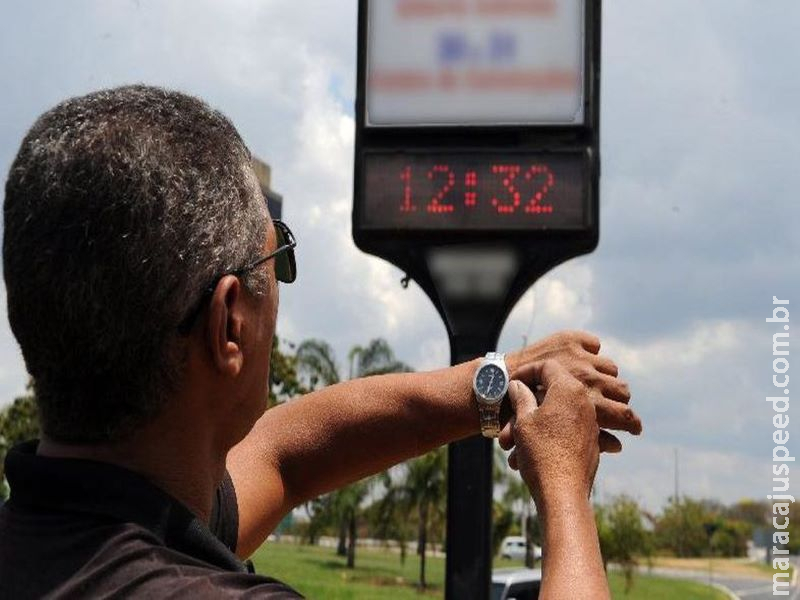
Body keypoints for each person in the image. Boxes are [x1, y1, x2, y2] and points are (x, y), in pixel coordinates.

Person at [0, 85, 641, 599]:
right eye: (276, 256)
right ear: (230, 322)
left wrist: (499, 378)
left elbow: (285, 454)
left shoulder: (81, 528)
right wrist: (563, 487)